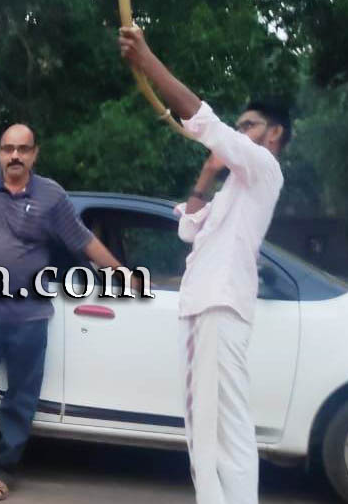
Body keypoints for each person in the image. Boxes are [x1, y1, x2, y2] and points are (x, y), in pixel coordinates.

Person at [119, 26, 289, 504]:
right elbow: (188, 228)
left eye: (249, 125)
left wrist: (147, 60)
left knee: (219, 430)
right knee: (211, 426)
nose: (240, 131)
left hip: (218, 306)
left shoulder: (264, 169)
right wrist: (209, 171)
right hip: (206, 307)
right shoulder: (236, 185)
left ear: (274, 134)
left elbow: (201, 118)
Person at [0, 124, 122, 501]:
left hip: (29, 315)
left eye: (23, 149)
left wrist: (120, 272)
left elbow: (83, 240)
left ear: (34, 153)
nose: (15, 155)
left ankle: (2, 469)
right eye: (8, 148)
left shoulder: (51, 196)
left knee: (21, 396)